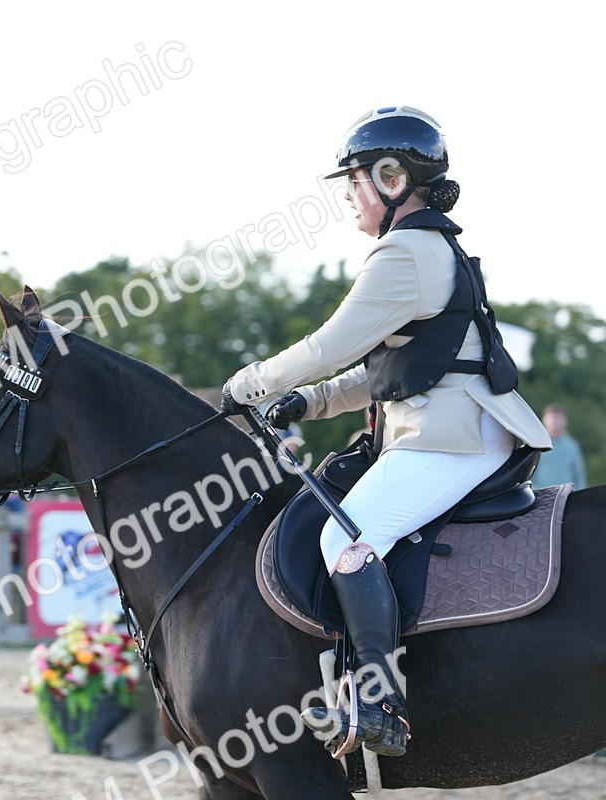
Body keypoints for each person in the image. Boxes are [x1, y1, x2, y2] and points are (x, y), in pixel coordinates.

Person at [220, 106, 551, 757]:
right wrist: (307, 405)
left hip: (450, 436)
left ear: (394, 177)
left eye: (356, 182)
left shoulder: (403, 252)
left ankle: (378, 700)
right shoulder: (428, 248)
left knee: (347, 537)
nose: (348, 197)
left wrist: (250, 384)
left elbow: (325, 347)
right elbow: (390, 373)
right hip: (447, 422)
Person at [531, 403, 587, 489]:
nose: (555, 421)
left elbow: (578, 474)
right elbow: (528, 472)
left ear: (565, 421)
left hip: (566, 497)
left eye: (558, 418)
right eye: (552, 418)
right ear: (544, 420)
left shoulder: (572, 446)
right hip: (539, 495)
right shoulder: (535, 444)